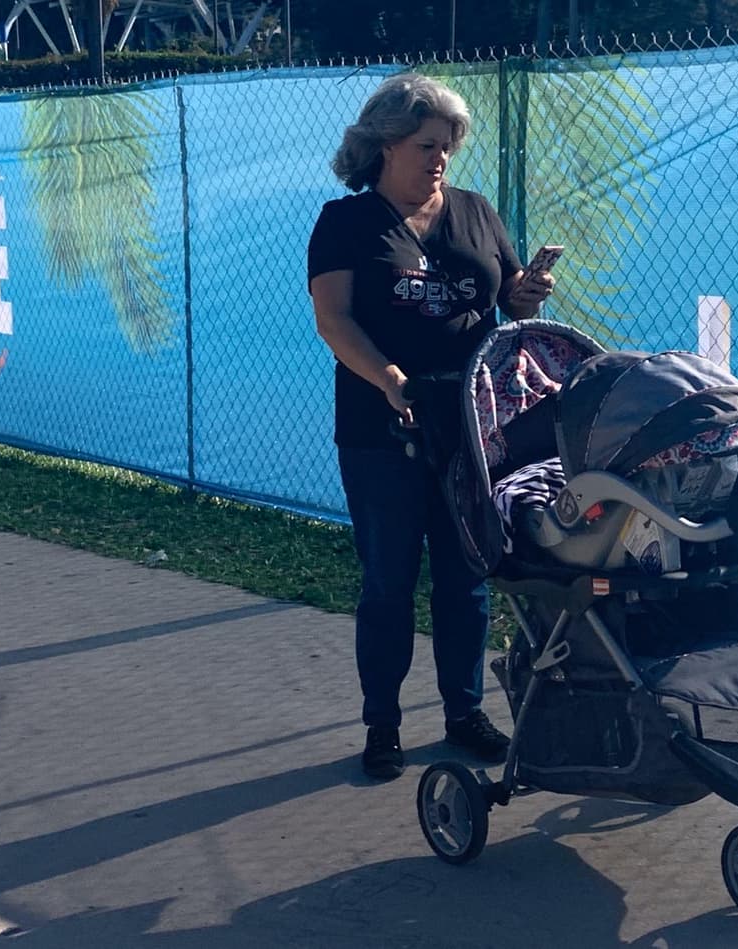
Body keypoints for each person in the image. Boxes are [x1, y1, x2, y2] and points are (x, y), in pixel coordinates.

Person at [307, 73, 555, 780]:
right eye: (426, 145)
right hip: (379, 429)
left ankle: (464, 712)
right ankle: (382, 724)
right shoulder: (345, 223)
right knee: (389, 579)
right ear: (384, 146)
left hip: (471, 427)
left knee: (466, 576)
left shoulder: (476, 212)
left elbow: (508, 303)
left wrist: (524, 293)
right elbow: (335, 321)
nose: (440, 157)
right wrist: (387, 379)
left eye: (447, 145)